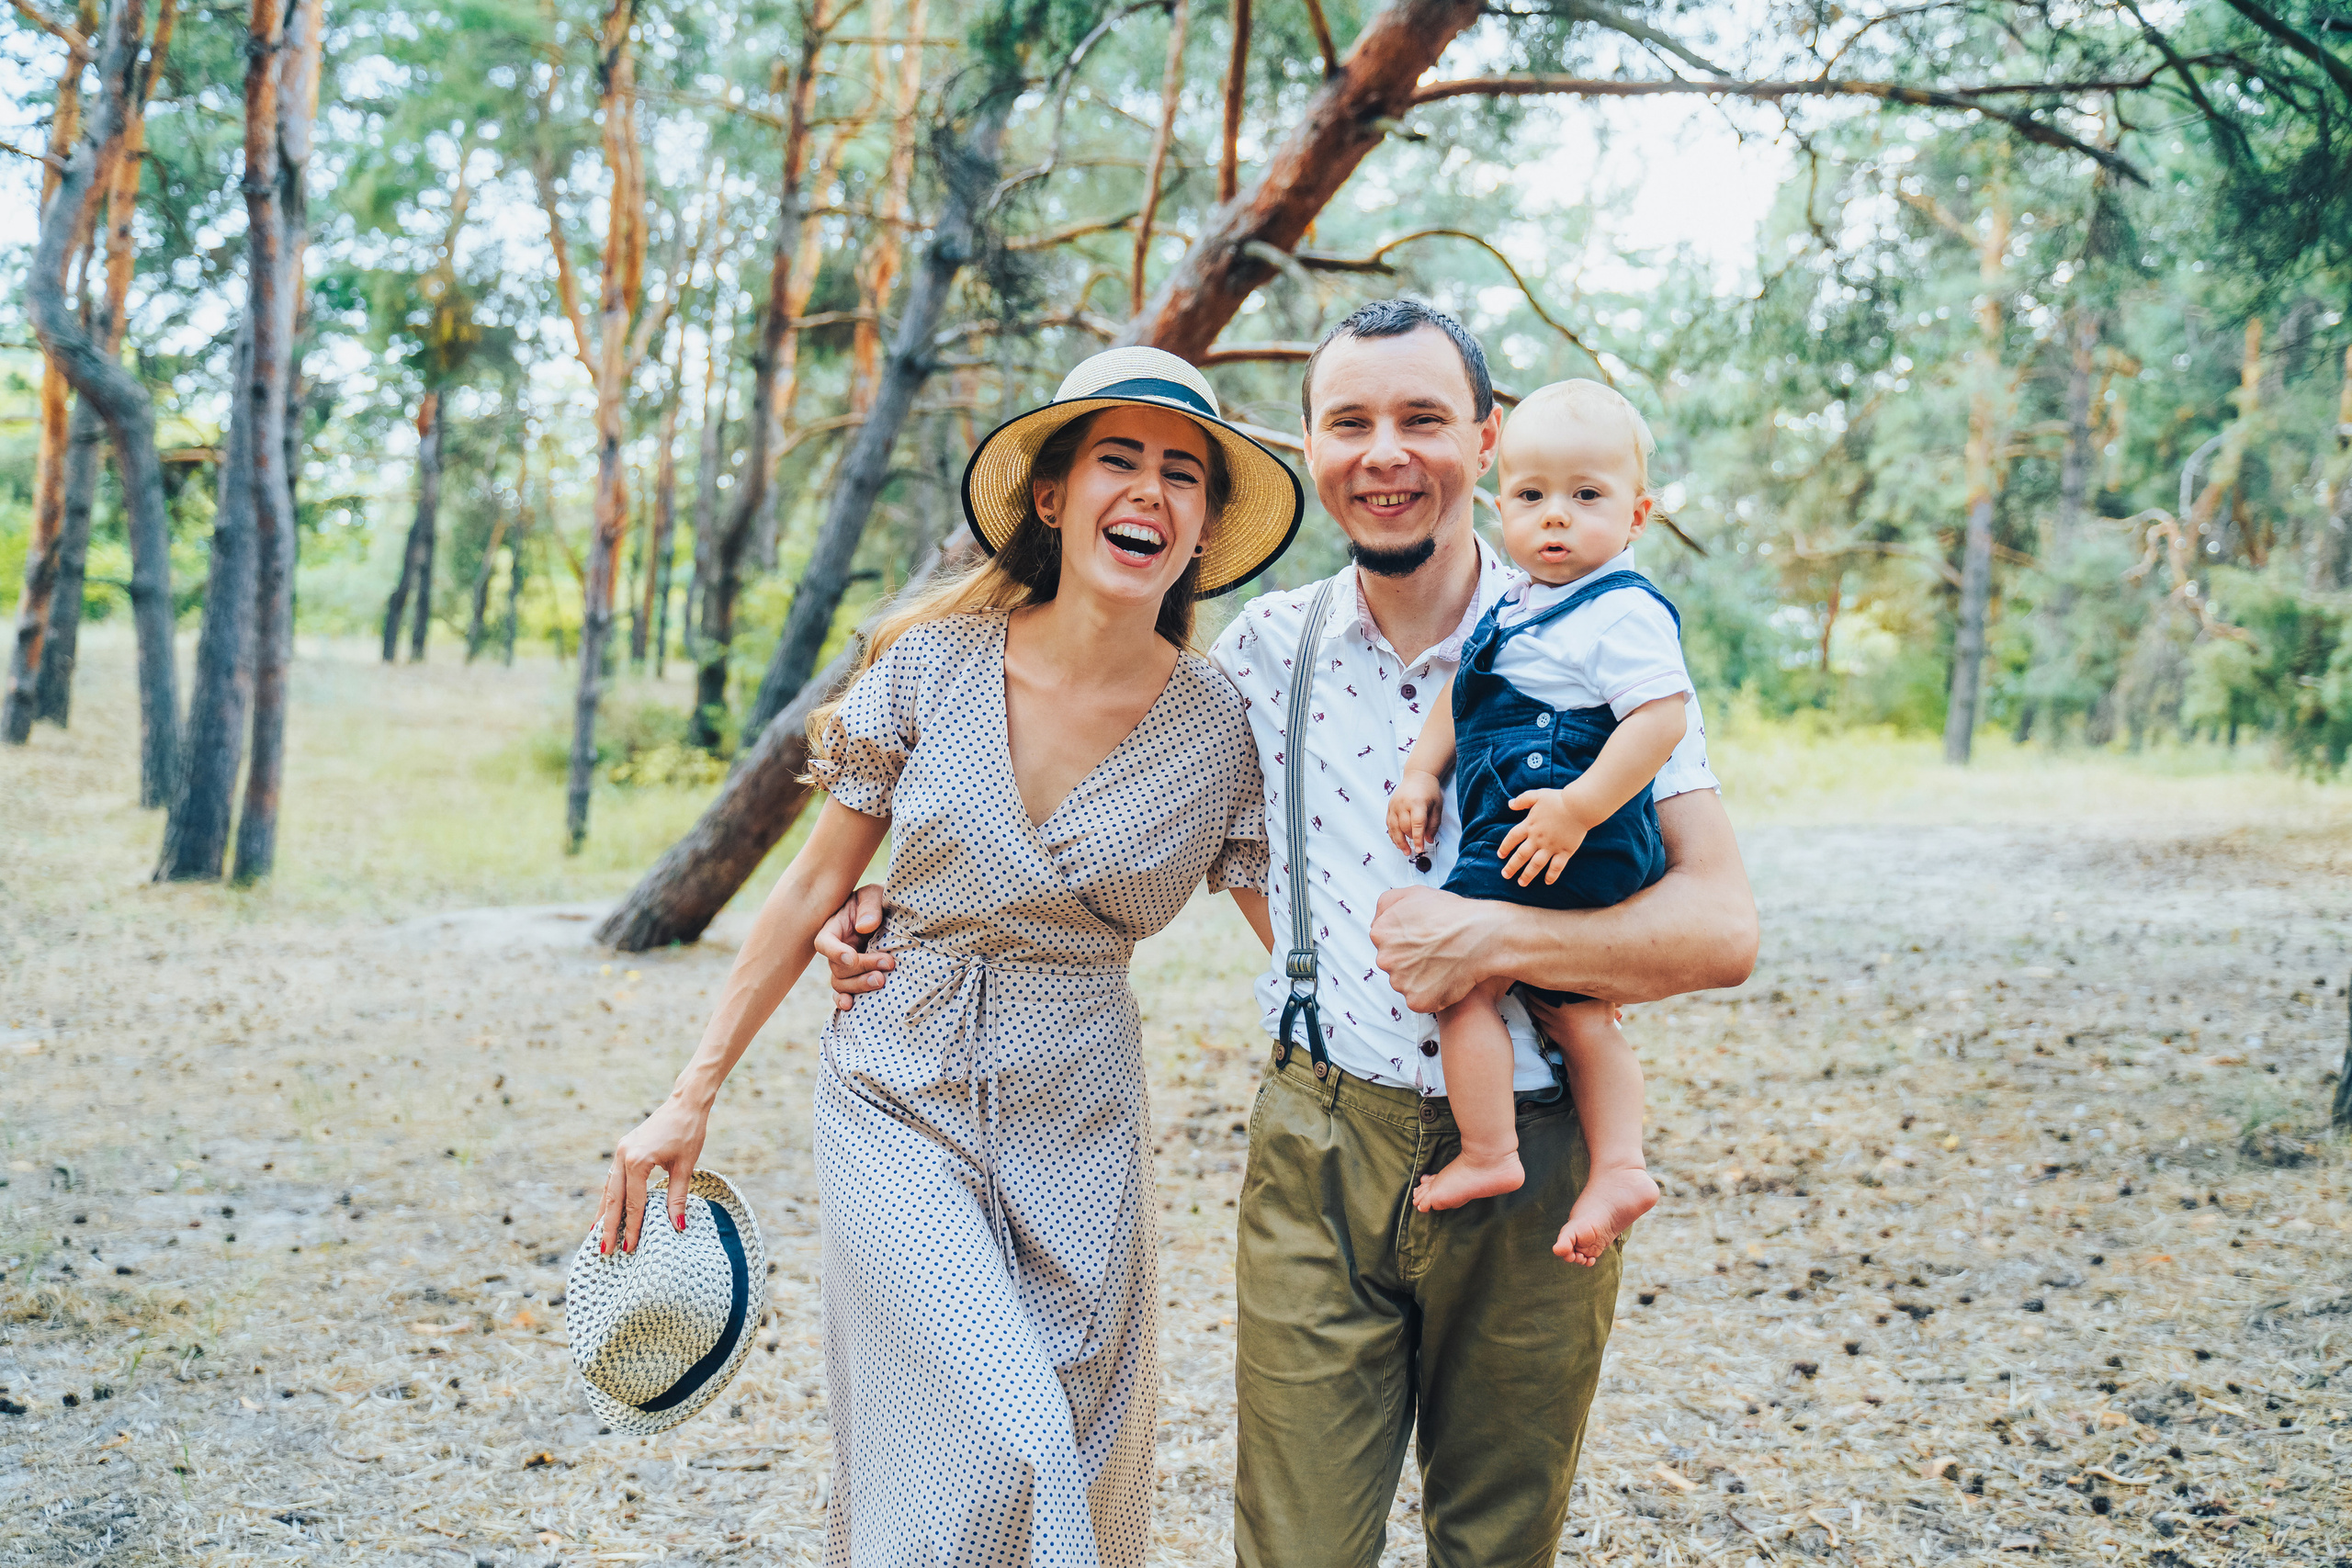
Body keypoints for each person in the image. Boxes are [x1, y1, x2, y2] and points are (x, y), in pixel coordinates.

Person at [820, 300, 1757, 1568]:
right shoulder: (1262, 656)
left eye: (1423, 419)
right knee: (1297, 1546)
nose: (1386, 451)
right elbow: (1086, 772)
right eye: (1350, 421)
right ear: (1310, 446)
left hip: (1540, 1141)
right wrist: (907, 907)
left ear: (1484, 441)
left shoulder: (1598, 640)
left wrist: (1483, 943)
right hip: (1321, 1142)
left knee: (1500, 1542)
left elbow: (1720, 926)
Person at [592, 345, 1302, 1568]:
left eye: (1182, 474)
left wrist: (1481, 1022)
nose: (1149, 492)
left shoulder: (1220, 727)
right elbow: (812, 885)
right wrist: (688, 1092)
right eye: (1115, 461)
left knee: (1078, 1436)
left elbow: (1296, 936)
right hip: (896, 1083)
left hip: (1080, 1107)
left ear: (1203, 526)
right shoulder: (928, 666)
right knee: (1003, 1430)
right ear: (1052, 496)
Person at [1384, 378, 1690, 1266]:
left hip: (1560, 825)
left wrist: (1576, 808)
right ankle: (1621, 1165)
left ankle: (1489, 1152)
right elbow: (1463, 692)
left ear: (1636, 515)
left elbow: (1660, 719)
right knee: (1577, 1008)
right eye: (1531, 497)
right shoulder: (1516, 604)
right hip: (1534, 821)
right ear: (1498, 504)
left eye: (1585, 497)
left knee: (1457, 976)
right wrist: (1420, 774)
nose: (1556, 518)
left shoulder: (1623, 610)